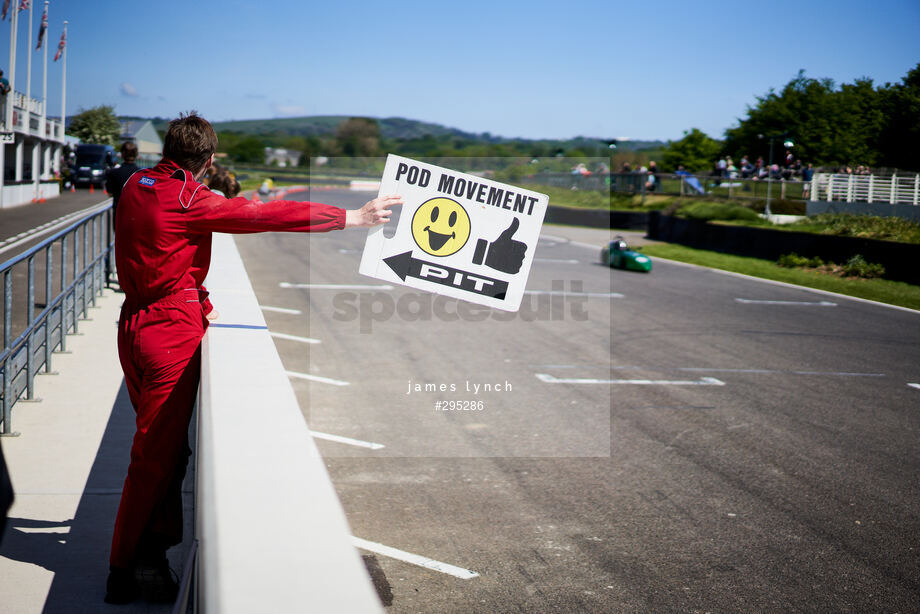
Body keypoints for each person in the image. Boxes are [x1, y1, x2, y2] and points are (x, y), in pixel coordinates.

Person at [104, 112, 400, 605]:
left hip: (131, 325)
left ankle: (150, 556)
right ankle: (124, 567)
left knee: (164, 453)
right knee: (154, 457)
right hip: (169, 332)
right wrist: (351, 217)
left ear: (166, 151)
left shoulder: (136, 183)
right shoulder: (189, 200)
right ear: (210, 158)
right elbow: (262, 217)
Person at [105, 142, 141, 220]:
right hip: (138, 214)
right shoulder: (143, 174)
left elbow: (110, 193)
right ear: (136, 154)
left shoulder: (113, 172)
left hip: (120, 214)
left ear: (122, 154)